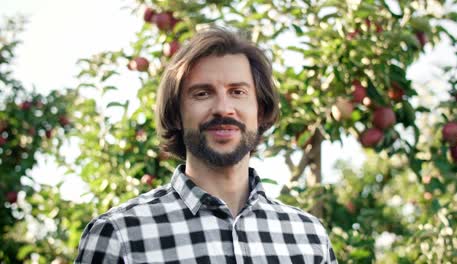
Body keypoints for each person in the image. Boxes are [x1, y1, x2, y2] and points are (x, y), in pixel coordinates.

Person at [75, 27, 337, 264]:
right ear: (176, 113)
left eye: (238, 92)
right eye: (202, 93)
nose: (223, 108)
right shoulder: (119, 235)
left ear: (260, 110)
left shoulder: (309, 239)